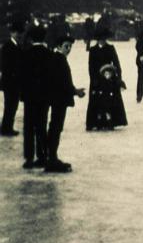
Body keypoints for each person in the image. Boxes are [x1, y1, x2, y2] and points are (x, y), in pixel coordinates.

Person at [42, 35, 84, 172]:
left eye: (70, 46)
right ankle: (51, 159)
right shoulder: (58, 60)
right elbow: (63, 83)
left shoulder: (57, 59)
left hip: (57, 99)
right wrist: (76, 92)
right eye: (66, 46)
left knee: (55, 127)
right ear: (59, 46)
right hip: (58, 100)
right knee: (56, 127)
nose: (69, 49)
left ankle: (51, 157)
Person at [20, 25, 52, 170]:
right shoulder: (48, 54)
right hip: (44, 97)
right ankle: (42, 155)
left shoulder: (26, 54)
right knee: (41, 125)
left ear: (32, 38)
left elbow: (23, 77)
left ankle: (28, 157)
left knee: (29, 127)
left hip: (30, 97)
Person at [86, 26, 127, 131]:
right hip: (97, 79)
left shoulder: (110, 48)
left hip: (109, 78)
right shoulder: (93, 50)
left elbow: (116, 63)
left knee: (110, 100)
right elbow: (91, 67)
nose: (102, 40)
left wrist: (117, 76)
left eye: (104, 38)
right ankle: (96, 122)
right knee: (97, 100)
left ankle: (111, 121)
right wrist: (94, 79)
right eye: (100, 38)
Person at [0, 22, 22, 136]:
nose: (18, 34)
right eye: (16, 32)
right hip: (10, 82)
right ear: (12, 33)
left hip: (14, 82)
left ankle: (8, 126)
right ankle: (6, 128)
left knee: (13, 105)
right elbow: (5, 66)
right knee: (10, 106)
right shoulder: (7, 46)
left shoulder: (16, 45)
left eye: (19, 33)